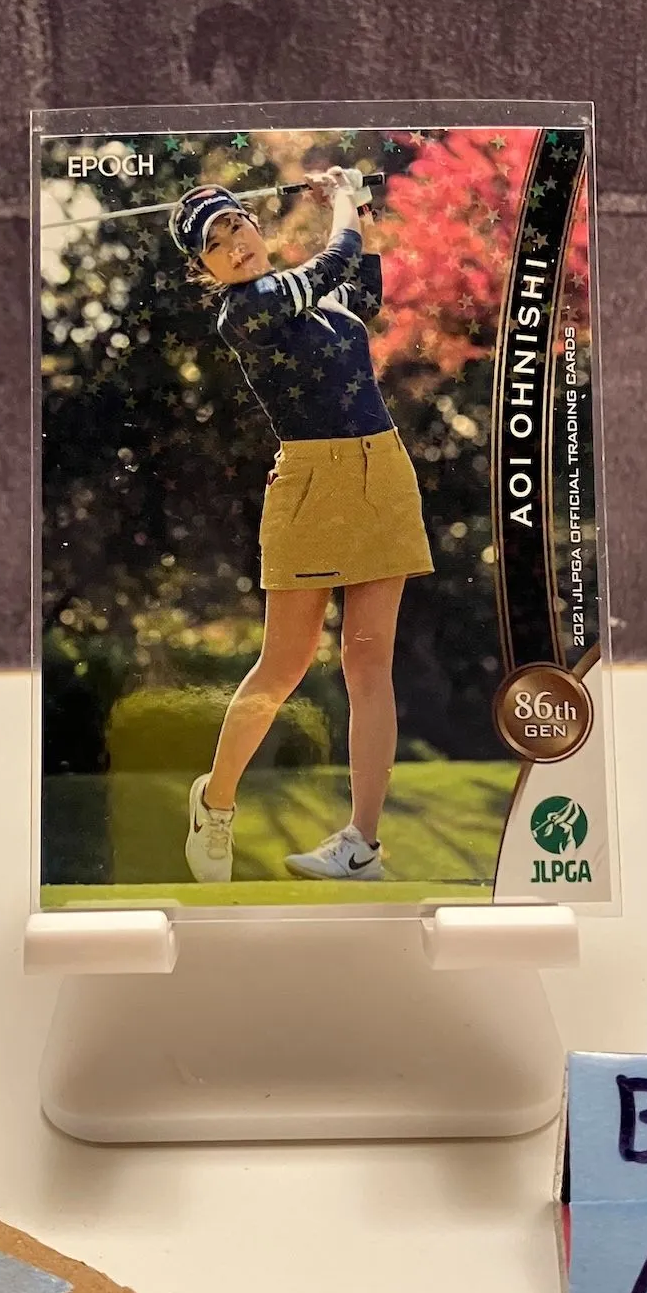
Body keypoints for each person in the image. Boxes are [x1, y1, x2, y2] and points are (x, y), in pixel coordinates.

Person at [168, 168, 433, 884]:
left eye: (235, 225)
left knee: (368, 664)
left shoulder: (312, 300)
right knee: (284, 665)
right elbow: (335, 259)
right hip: (312, 485)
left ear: (254, 224)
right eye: (214, 245)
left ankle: (362, 845)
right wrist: (342, 199)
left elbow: (362, 290)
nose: (233, 245)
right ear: (206, 269)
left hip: (381, 472)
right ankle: (216, 803)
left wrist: (358, 206)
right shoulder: (245, 310)